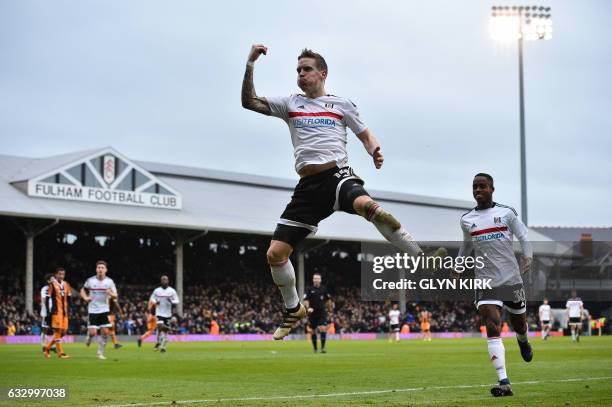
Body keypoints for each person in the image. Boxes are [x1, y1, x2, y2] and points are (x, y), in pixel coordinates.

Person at [241, 44, 445, 340]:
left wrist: (374, 149)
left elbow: (365, 134)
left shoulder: (341, 105)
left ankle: (423, 258)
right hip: (307, 189)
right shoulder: (290, 103)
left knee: (371, 208)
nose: (301, 74)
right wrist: (250, 65)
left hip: (337, 175)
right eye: (298, 70)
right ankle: (293, 309)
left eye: (306, 69)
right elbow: (249, 102)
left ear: (322, 73)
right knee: (275, 254)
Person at [456, 173, 533, 397]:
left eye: (482, 186)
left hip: (511, 279)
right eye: (474, 187)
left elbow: (524, 236)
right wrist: (459, 265)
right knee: (492, 323)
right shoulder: (467, 219)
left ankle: (523, 340)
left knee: (520, 324)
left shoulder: (507, 213)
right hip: (485, 280)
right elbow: (465, 246)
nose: (477, 190)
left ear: (492, 189)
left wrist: (527, 256)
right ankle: (504, 381)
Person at [80, 260, 117, 360]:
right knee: (93, 333)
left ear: (106, 270)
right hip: (93, 309)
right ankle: (89, 337)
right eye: (99, 267)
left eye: (102, 268)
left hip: (104, 309)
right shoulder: (90, 280)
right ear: (96, 269)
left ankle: (100, 353)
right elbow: (82, 290)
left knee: (105, 332)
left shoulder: (109, 281)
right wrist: (85, 298)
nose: (100, 269)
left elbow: (115, 295)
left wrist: (110, 294)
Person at [43, 267, 72, 359]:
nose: (61, 276)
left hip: (65, 312)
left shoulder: (66, 284)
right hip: (56, 312)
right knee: (58, 331)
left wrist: (70, 309)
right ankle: (61, 353)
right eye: (59, 274)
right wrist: (48, 312)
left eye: (63, 274)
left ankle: (47, 348)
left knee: (63, 332)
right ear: (56, 275)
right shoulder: (52, 285)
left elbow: (69, 298)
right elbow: (47, 299)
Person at [149, 275, 179, 353]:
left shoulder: (172, 291)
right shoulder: (157, 290)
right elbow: (152, 298)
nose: (164, 281)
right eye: (163, 280)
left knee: (162, 331)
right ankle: (170, 329)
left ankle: (162, 346)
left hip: (168, 313)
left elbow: (177, 300)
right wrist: (155, 302)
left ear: (168, 281)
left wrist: (171, 301)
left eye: (165, 280)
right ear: (161, 281)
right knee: (160, 326)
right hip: (159, 312)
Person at [304, 273, 332, 353]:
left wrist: (330, 310)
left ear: (320, 280)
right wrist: (308, 308)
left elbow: (328, 300)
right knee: (313, 331)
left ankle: (323, 348)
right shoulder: (309, 289)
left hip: (322, 312)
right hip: (312, 313)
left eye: (318, 278)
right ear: (313, 280)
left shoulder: (324, 289)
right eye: (315, 278)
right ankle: (315, 348)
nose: (316, 280)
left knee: (323, 328)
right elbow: (306, 300)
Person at [40, 273, 56, 354]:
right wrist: (48, 310)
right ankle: (44, 345)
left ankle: (52, 346)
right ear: (48, 280)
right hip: (46, 312)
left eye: (54, 278)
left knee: (57, 329)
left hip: (55, 312)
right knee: (45, 329)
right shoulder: (45, 289)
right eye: (52, 279)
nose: (54, 280)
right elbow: (43, 300)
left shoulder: (57, 288)